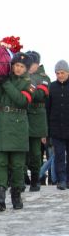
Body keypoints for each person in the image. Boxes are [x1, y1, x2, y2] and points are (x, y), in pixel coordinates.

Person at [0, 53, 33, 210]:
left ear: (26, 68)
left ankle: (16, 196)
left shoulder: (29, 83)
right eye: (16, 65)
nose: (18, 68)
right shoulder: (5, 80)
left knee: (18, 165)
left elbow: (21, 101)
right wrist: (0, 83)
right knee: (0, 163)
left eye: (22, 66)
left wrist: (6, 84)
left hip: (18, 127)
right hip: (0, 126)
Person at [26, 51, 50, 191]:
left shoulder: (43, 77)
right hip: (23, 115)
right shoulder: (22, 76)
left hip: (37, 117)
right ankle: (22, 179)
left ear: (37, 63)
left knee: (35, 152)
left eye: (32, 63)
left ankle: (35, 180)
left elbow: (41, 94)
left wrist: (26, 88)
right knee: (21, 151)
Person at [47, 60, 69, 190]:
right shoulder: (52, 87)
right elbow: (47, 109)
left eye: (62, 72)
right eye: (57, 73)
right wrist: (47, 130)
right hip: (56, 128)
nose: (60, 75)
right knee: (59, 155)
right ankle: (61, 180)